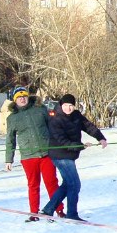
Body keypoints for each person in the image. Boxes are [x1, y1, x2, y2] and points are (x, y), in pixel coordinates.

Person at [41, 94, 108, 222]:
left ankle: (48, 209)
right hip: (60, 155)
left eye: (71, 105)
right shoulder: (55, 118)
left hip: (70, 154)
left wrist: (100, 137)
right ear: (61, 105)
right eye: (66, 105)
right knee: (75, 184)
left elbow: (89, 126)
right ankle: (72, 214)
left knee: (67, 184)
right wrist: (80, 146)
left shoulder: (76, 115)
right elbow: (62, 141)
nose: (68, 108)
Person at [4, 86, 61, 222]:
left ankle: (59, 210)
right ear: (15, 100)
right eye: (19, 97)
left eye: (24, 96)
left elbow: (53, 127)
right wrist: (8, 160)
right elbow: (10, 140)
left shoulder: (40, 110)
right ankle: (34, 213)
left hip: (47, 153)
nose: (22, 99)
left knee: (52, 183)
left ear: (28, 97)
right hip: (28, 156)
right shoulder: (12, 118)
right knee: (33, 185)